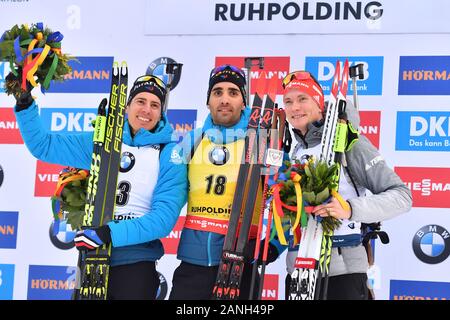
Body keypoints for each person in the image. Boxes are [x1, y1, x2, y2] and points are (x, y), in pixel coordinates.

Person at [12, 73, 187, 300]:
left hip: (135, 264)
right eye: (141, 101)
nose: (146, 110)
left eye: (155, 105)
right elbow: (43, 146)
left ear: (161, 112)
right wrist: (25, 104)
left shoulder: (169, 154)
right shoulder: (102, 140)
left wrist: (108, 233)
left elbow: (163, 220)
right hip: (91, 260)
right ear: (127, 106)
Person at [281, 70, 412, 300]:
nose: (295, 107)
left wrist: (350, 208)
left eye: (303, 99)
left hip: (343, 273)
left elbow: (402, 196)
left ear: (319, 103)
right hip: (299, 272)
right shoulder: (295, 150)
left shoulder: (350, 143)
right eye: (288, 101)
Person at [168, 64, 280, 300]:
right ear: (208, 101)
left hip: (241, 265)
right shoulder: (192, 140)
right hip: (192, 265)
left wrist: (271, 246)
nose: (225, 99)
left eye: (233, 92)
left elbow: (288, 199)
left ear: (244, 101)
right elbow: (165, 190)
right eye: (217, 92)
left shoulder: (263, 143)